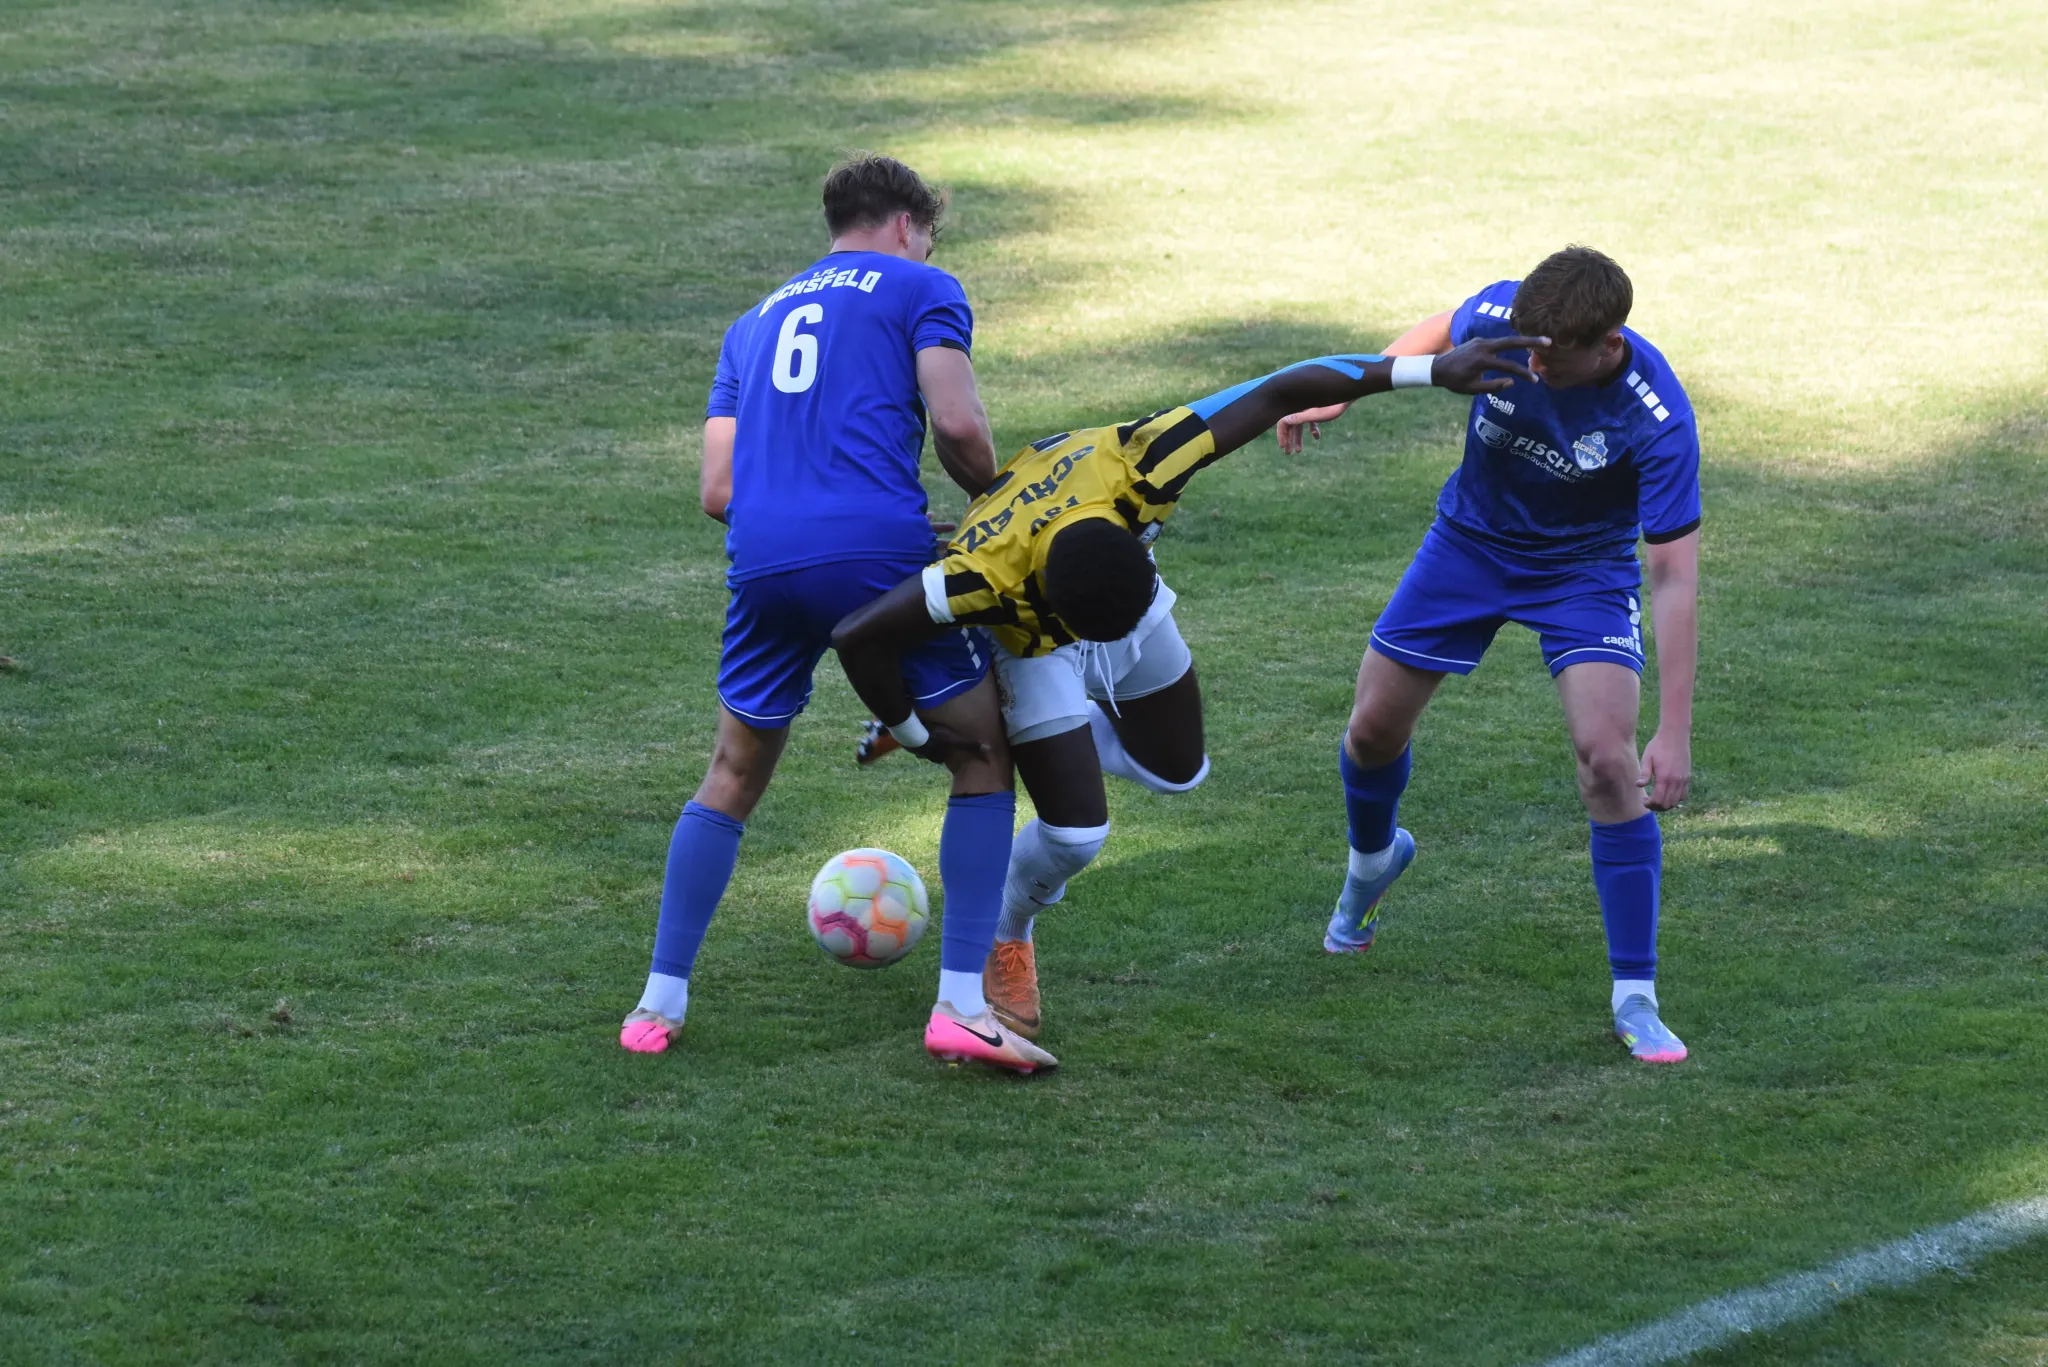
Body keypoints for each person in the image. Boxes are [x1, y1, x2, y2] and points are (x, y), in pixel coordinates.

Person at [831, 334, 1541, 1042]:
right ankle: (1007, 931)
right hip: (1032, 649)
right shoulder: (982, 574)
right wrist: (918, 732)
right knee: (1077, 835)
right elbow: (857, 634)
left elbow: (1281, 387)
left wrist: (1428, 369)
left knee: (1179, 771)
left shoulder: (1145, 460)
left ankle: (1013, 723)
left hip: (1125, 601)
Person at [619, 154, 1055, 1074]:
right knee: (981, 752)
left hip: (763, 560)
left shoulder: (752, 323)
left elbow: (716, 489)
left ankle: (657, 1003)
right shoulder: (923, 286)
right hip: (875, 558)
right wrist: (1003, 511)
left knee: (730, 773)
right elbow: (960, 427)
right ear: (906, 225)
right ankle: (961, 1005)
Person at [1276, 245, 1701, 1064]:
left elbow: (1674, 576)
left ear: (1607, 347)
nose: (1530, 368)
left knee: (1607, 760)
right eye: (1526, 351)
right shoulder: (1513, 318)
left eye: (1551, 359)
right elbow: (1443, 327)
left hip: (1582, 572)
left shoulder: (1655, 415)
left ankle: (1636, 995)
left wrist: (1674, 731)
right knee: (1370, 731)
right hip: (1469, 544)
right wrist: (1350, 388)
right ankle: (1372, 863)